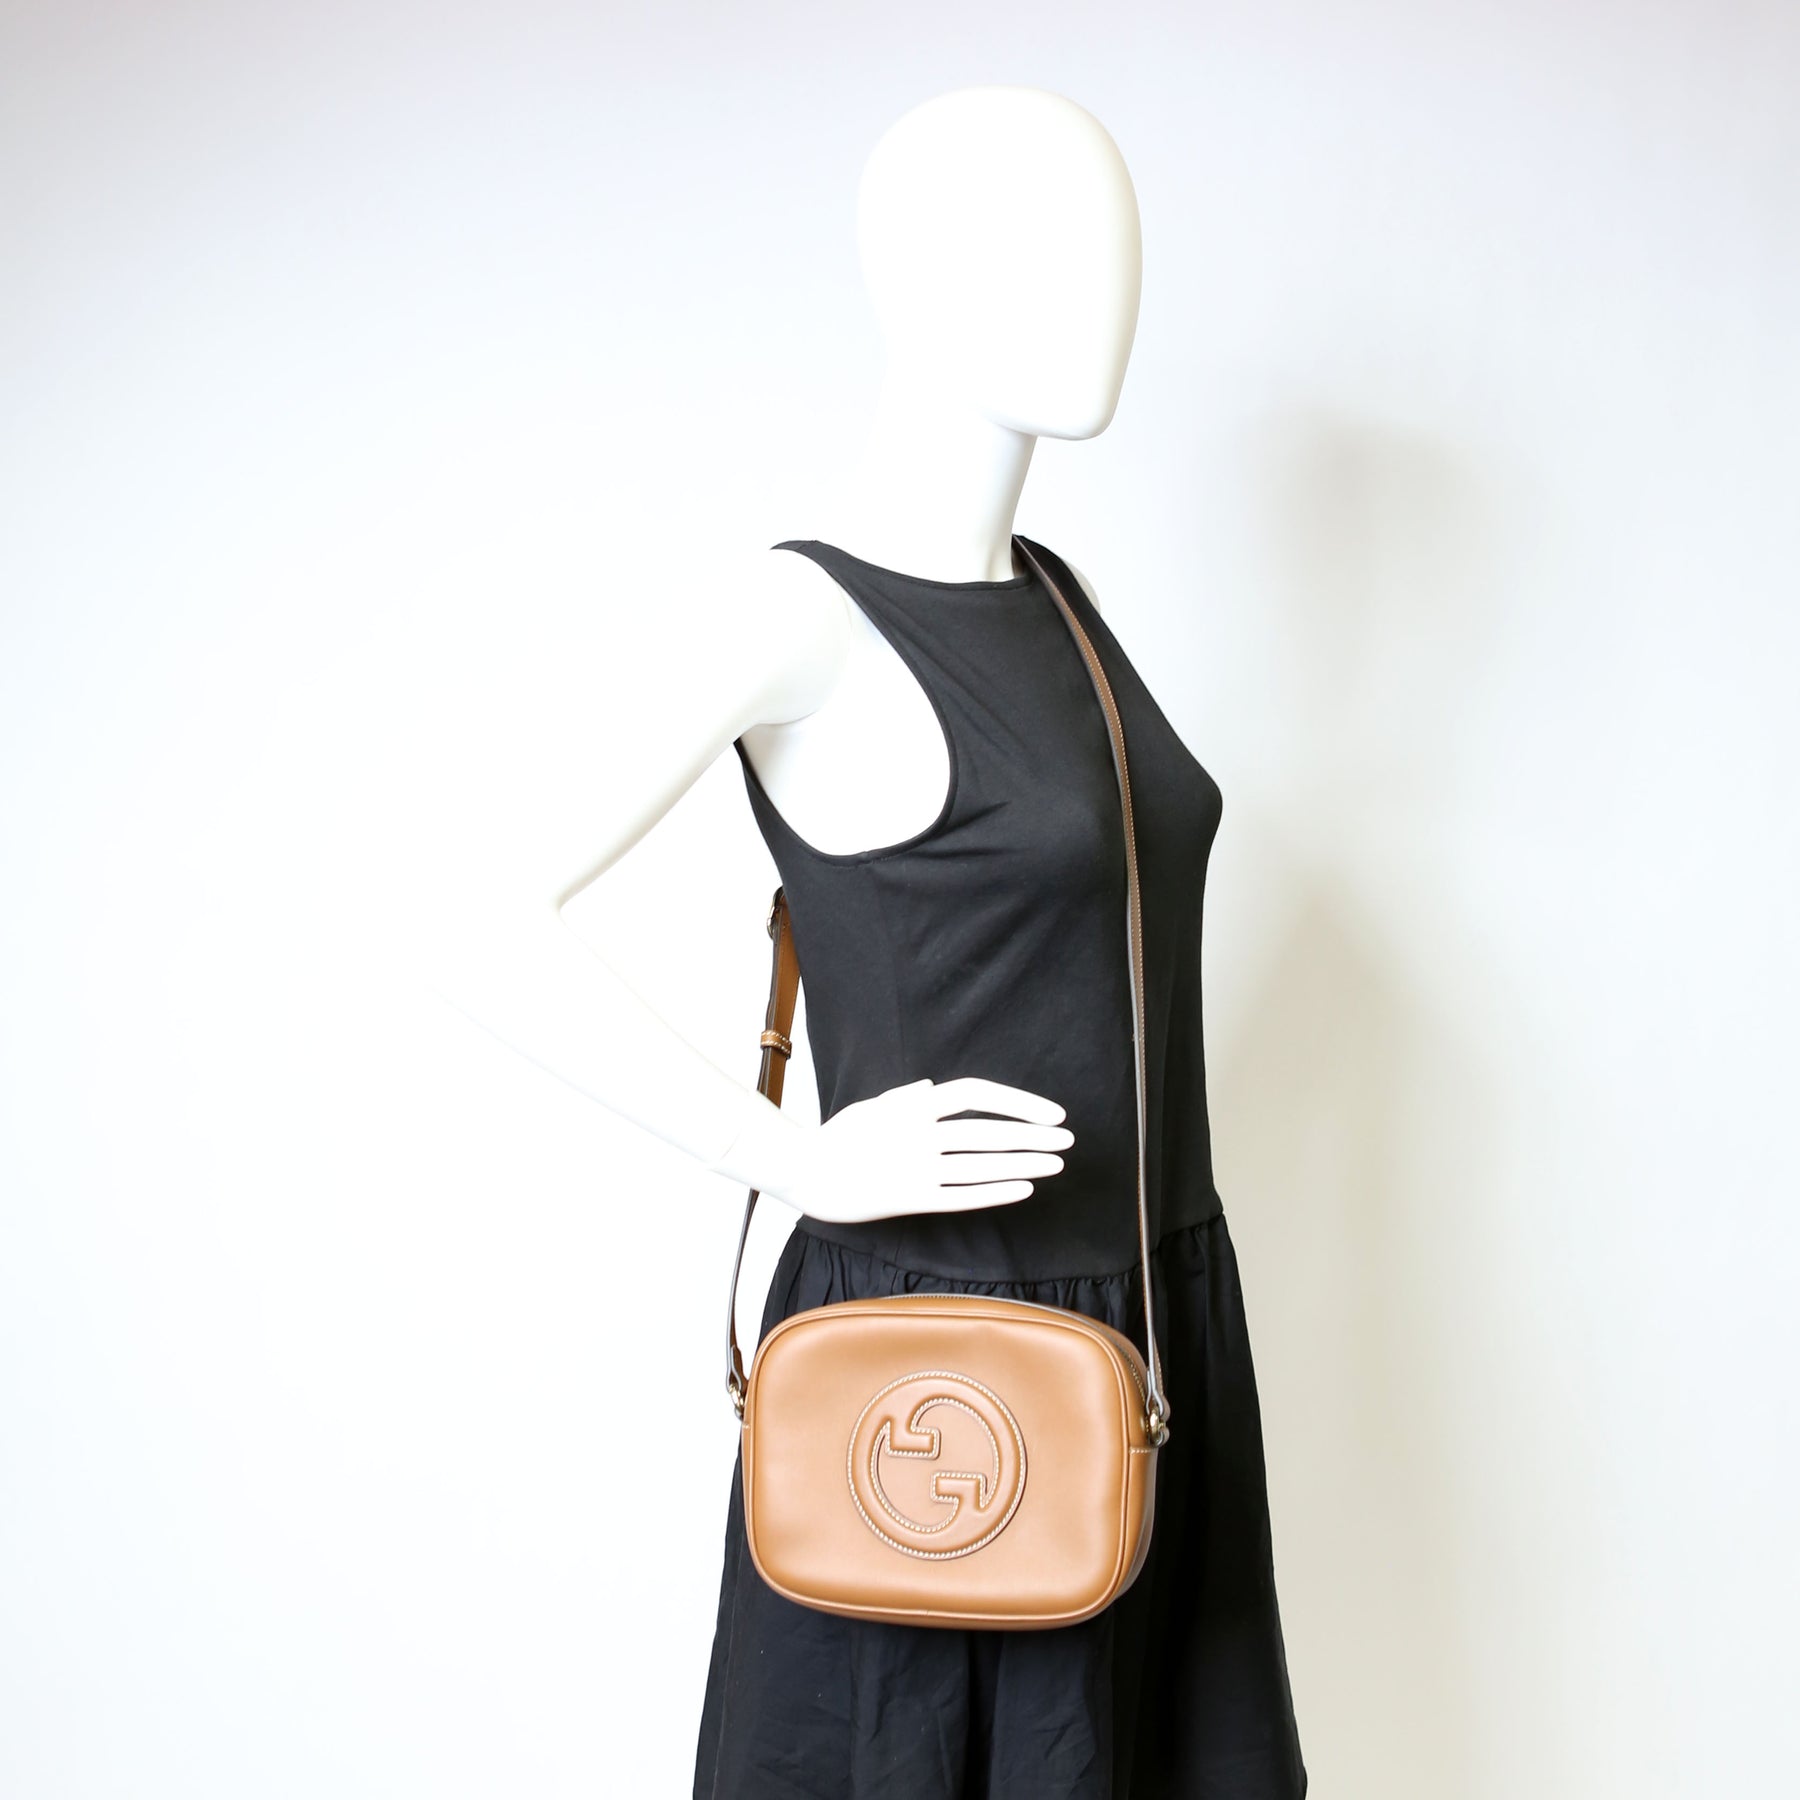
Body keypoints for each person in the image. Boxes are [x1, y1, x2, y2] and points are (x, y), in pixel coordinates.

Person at [426, 83, 1306, 1800]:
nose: (1106, 288)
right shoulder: (795, 618)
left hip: (1150, 1320)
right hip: (949, 1371)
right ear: (908, 271)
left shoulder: (1060, 600)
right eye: (1043, 243)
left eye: (1121, 242)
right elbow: (461, 906)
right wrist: (792, 1159)